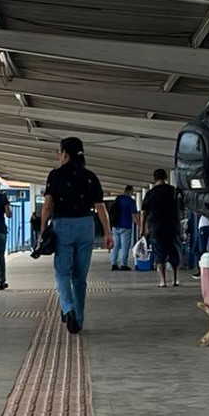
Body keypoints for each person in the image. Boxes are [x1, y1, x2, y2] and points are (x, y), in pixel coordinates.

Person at [40, 137, 113, 334]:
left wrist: (42, 230)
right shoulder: (90, 176)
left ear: (65, 154)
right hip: (86, 226)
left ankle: (68, 308)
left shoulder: (55, 175)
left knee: (62, 273)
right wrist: (107, 233)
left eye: (59, 152)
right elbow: (100, 207)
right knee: (80, 278)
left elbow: (47, 205)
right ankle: (78, 320)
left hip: (63, 225)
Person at [139, 169, 182, 287]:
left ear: (154, 179)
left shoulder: (150, 193)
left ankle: (163, 281)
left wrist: (142, 228)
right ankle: (175, 279)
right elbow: (180, 209)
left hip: (156, 228)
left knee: (159, 254)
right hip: (172, 227)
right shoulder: (173, 191)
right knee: (174, 253)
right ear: (166, 177)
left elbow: (143, 212)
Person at [110, 185, 138, 271]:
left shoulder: (118, 199)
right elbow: (134, 216)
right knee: (125, 246)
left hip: (115, 226)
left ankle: (114, 264)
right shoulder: (131, 201)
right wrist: (140, 225)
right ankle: (123, 264)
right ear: (130, 191)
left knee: (115, 246)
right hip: (126, 226)